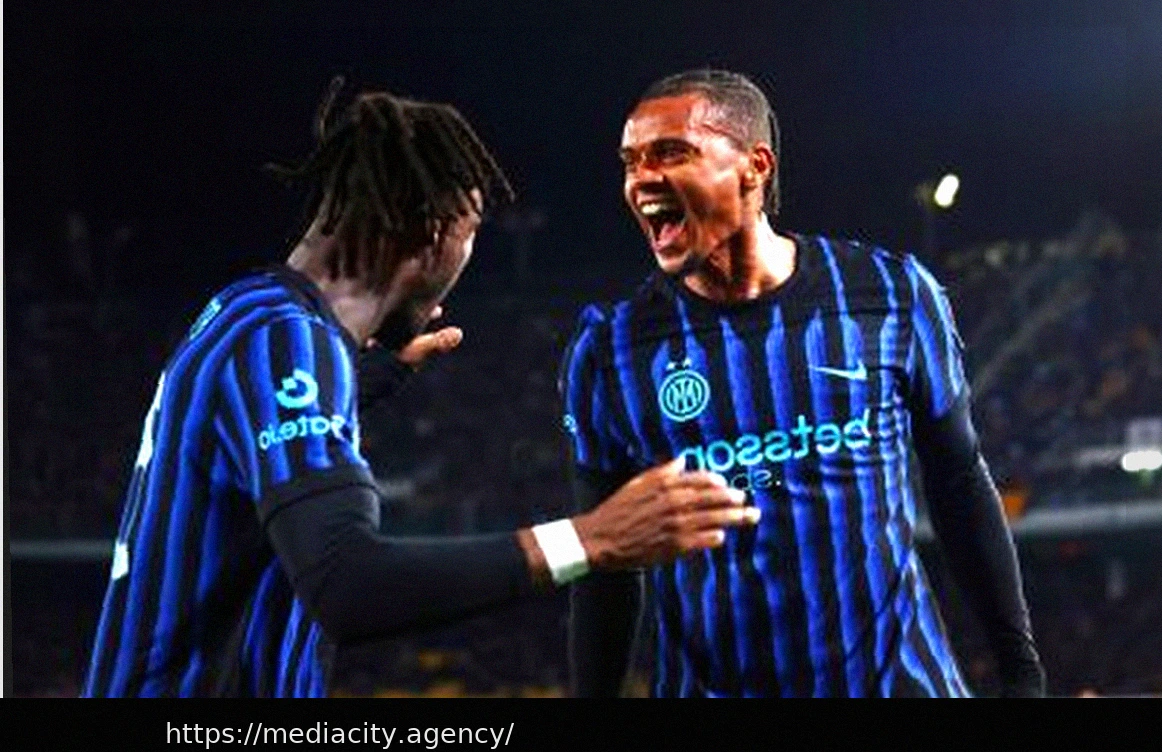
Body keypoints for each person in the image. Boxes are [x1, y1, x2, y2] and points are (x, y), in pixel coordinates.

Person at [82, 78, 758, 698]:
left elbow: (236, 458)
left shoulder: (243, 313)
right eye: (471, 236)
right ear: (436, 232)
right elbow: (346, 582)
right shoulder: (286, 341)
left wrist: (356, 384)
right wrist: (590, 539)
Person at [562, 69, 1045, 697]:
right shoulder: (610, 351)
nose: (641, 179)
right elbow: (605, 566)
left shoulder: (892, 293)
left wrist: (1020, 670)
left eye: (670, 153)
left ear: (754, 166)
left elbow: (958, 480)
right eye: (631, 162)